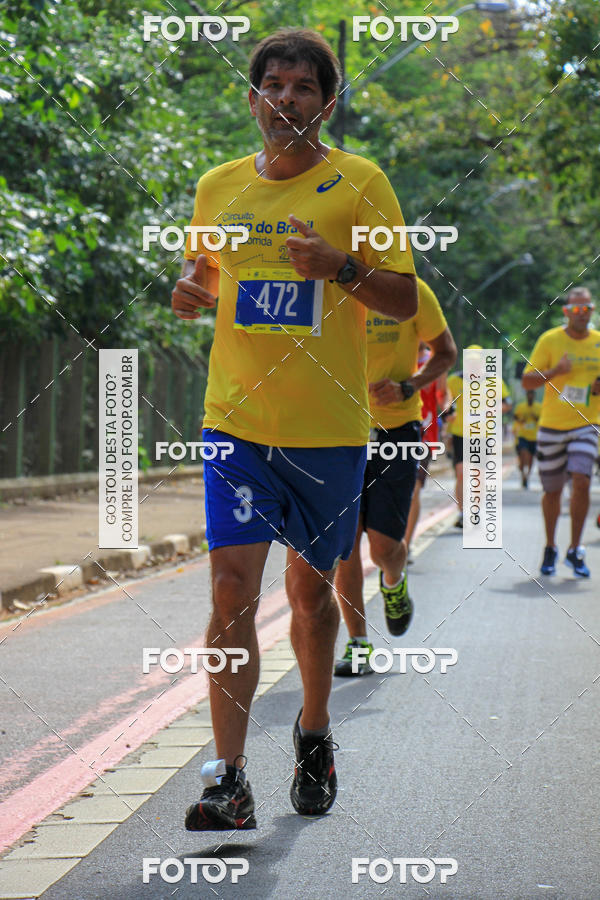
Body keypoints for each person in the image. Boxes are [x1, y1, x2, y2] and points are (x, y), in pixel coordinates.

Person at [171, 28, 417, 829]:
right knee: (230, 591)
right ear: (252, 102)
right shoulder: (217, 188)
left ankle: (314, 735)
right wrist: (191, 291)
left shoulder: (362, 182)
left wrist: (339, 267)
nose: (286, 99)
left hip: (330, 433)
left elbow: (403, 300)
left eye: (303, 87)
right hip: (236, 425)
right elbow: (204, 274)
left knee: (310, 599)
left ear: (327, 103)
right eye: (272, 86)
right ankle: (227, 778)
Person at [333, 279, 456, 676]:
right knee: (345, 546)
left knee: (384, 548)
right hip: (336, 432)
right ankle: (359, 643)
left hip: (396, 433)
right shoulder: (331, 284)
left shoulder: (411, 291)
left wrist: (408, 387)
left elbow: (445, 352)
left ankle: (394, 579)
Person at [522, 287, 600, 577]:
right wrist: (555, 371)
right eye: (575, 309)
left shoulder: (598, 342)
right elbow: (528, 382)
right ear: (567, 312)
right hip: (552, 426)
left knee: (581, 480)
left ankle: (575, 549)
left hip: (587, 423)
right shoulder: (550, 340)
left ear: (591, 311)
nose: (581, 314)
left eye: (586, 309)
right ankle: (551, 546)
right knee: (552, 491)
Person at [447, 346, 511, 528]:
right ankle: (461, 513)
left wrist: (493, 409)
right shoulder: (454, 380)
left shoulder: (494, 381)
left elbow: (506, 404)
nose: (472, 366)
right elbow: (446, 401)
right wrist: (448, 413)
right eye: (470, 362)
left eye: (476, 362)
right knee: (461, 473)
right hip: (460, 433)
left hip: (483, 435)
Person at [404, 343, 451, 564]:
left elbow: (443, 393)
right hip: (392, 431)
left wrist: (447, 404)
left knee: (414, 489)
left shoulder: (435, 360)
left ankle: (405, 544)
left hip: (425, 434)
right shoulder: (395, 353)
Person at [513, 389, 541, 488]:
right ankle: (522, 473)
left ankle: (527, 476)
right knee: (524, 455)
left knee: (530, 459)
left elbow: (542, 419)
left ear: (534, 396)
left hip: (534, 437)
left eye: (532, 395)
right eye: (529, 394)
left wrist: (536, 418)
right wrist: (521, 419)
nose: (530, 397)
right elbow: (515, 417)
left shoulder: (539, 407)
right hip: (522, 435)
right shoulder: (520, 406)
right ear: (526, 396)